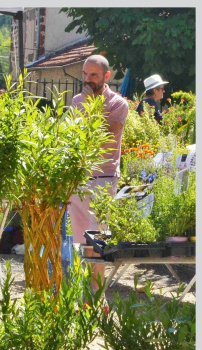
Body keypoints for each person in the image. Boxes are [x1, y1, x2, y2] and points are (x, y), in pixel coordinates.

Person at [68, 55, 128, 286]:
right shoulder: (76, 101)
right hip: (80, 176)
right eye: (85, 74)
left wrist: (92, 106)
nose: (88, 79)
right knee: (79, 238)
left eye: (93, 75)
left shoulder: (117, 104)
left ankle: (96, 293)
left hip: (104, 177)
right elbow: (73, 135)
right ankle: (82, 290)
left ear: (106, 76)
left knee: (98, 237)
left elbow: (108, 134)